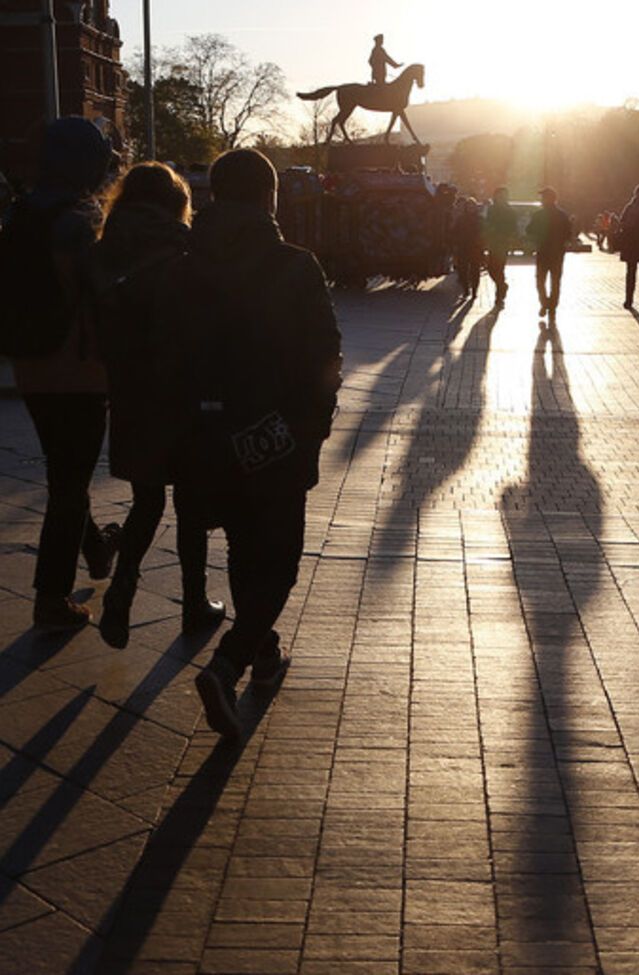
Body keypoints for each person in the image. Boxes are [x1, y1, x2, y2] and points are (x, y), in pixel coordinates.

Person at [159, 148, 342, 739]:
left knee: (242, 544)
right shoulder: (294, 264)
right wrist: (312, 426)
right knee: (281, 560)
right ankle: (229, 662)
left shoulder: (182, 263)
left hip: (205, 432)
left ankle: (261, 652)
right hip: (274, 432)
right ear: (269, 198)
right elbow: (324, 354)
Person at [95, 162, 223, 648]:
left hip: (129, 391)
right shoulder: (183, 245)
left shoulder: (106, 246)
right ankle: (194, 602)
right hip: (182, 392)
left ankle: (122, 589)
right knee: (191, 502)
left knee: (146, 501)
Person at [3, 117, 121, 628]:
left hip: (31, 362)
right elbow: (101, 294)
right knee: (69, 484)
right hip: (78, 368)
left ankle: (96, 551)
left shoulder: (21, 213)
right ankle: (51, 600)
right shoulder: (75, 222)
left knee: (63, 471)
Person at [527, 186, 570, 322]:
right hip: (557, 253)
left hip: (543, 252)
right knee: (555, 281)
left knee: (540, 280)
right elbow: (568, 233)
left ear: (548, 199)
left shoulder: (539, 215)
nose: (541, 199)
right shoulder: (562, 215)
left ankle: (545, 303)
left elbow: (529, 230)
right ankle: (551, 306)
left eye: (543, 197)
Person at [483, 186, 515, 307]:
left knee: (500, 269)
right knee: (491, 269)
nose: (502, 197)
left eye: (504, 195)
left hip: (503, 244)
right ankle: (502, 286)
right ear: (495, 196)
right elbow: (487, 223)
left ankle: (499, 297)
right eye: (499, 195)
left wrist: (509, 238)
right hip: (493, 243)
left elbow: (513, 227)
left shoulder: (510, 211)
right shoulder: (492, 209)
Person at [451, 196, 483, 303]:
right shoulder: (461, 219)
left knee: (475, 271)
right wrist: (454, 242)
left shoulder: (479, 219)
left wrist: (482, 245)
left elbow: (484, 233)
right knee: (462, 271)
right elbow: (454, 232)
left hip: (475, 248)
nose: (470, 208)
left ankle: (474, 291)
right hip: (463, 247)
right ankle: (465, 290)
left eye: (472, 206)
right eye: (468, 206)